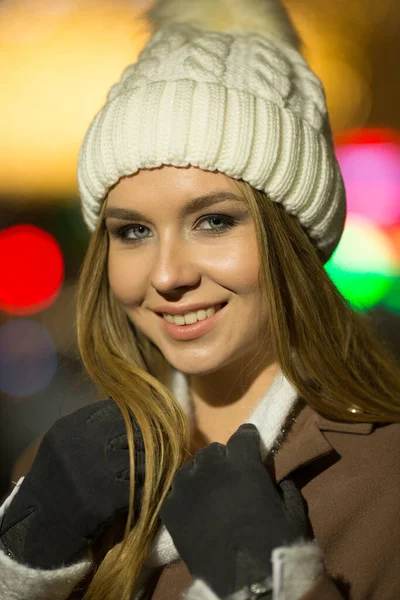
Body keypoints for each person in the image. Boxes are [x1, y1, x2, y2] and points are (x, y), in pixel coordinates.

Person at [1, 0, 400, 599]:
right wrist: (19, 568)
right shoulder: (56, 470)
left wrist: (280, 589)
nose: (165, 274)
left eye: (213, 221)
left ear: (290, 238)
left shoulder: (386, 483)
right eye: (133, 231)